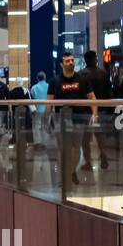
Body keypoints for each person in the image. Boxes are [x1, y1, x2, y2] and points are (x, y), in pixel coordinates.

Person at [51, 53, 97, 186]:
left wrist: (95, 114)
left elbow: (92, 97)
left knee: (76, 148)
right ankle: (65, 175)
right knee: (63, 149)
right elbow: (49, 102)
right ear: (62, 64)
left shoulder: (82, 79)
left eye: (72, 60)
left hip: (79, 120)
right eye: (67, 61)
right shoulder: (55, 81)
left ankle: (71, 172)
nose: (71, 63)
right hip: (62, 120)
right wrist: (47, 118)